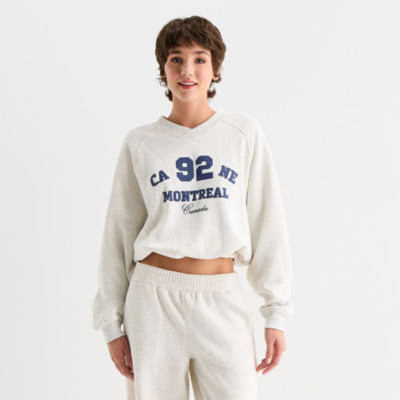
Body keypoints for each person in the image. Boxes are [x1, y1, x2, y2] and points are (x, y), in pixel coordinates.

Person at [91, 15, 294, 400]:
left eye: (200, 59)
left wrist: (276, 313)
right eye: (176, 59)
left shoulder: (242, 134)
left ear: (215, 69)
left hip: (222, 297)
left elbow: (267, 222)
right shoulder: (141, 143)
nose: (187, 70)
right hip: (153, 299)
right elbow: (118, 233)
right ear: (163, 69)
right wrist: (111, 324)